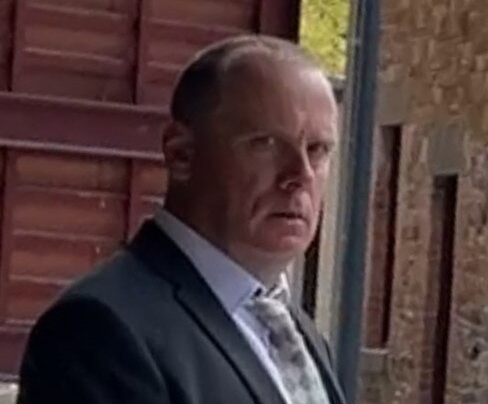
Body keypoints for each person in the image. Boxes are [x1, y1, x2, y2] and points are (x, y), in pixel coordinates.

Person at [17, 34, 345, 404]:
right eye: (265, 144)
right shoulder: (98, 329)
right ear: (182, 154)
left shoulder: (296, 332)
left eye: (318, 150)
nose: (299, 175)